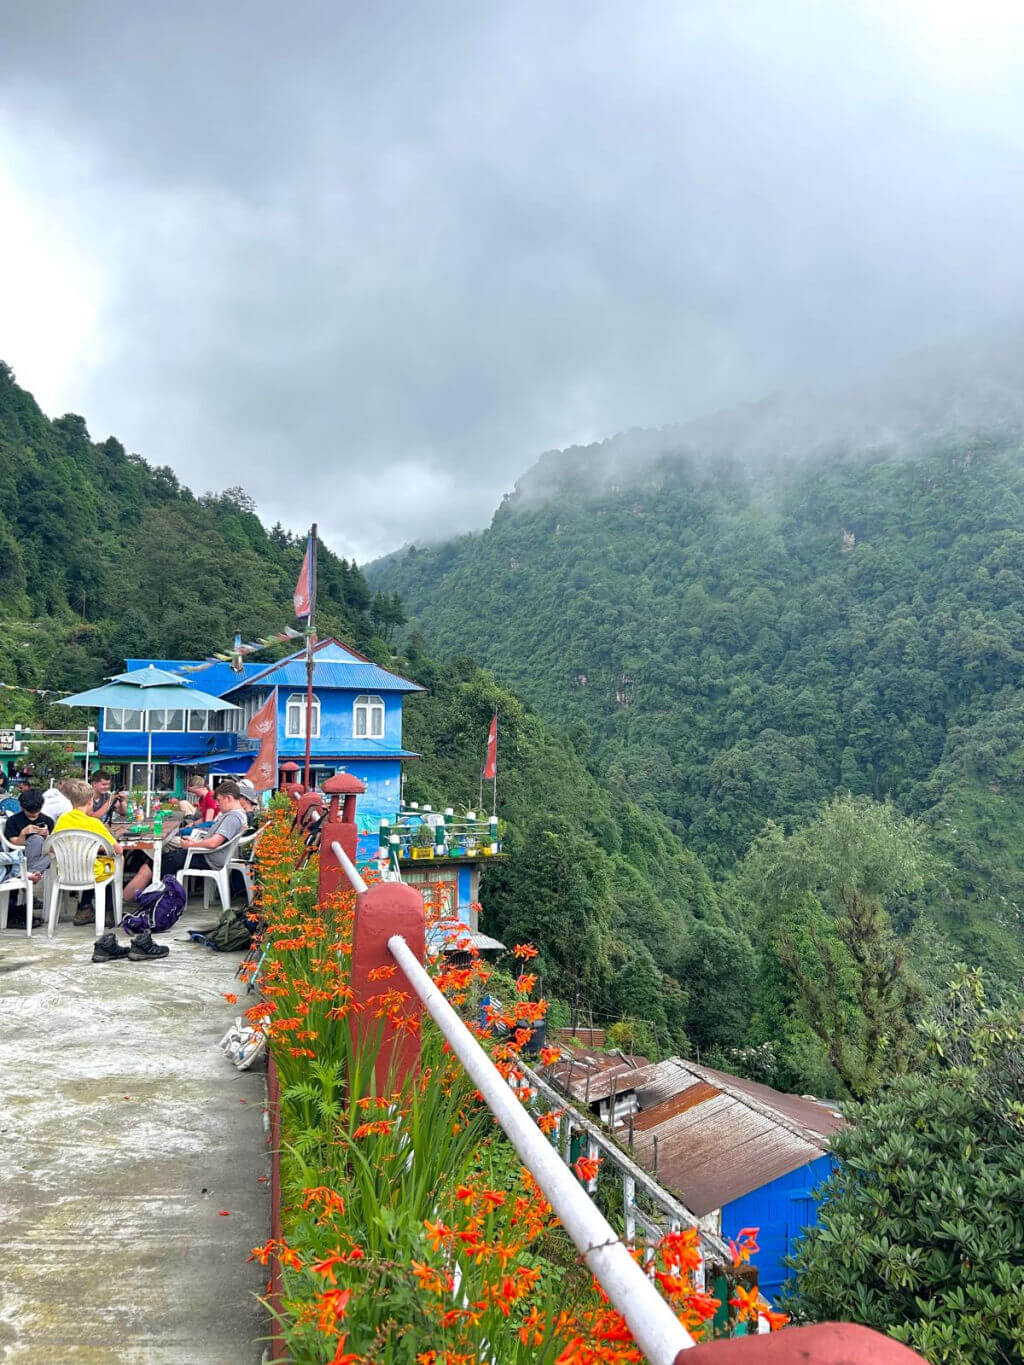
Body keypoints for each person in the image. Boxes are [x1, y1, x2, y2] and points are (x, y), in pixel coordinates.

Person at [123, 779, 247, 901]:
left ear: (229, 798)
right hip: (206, 854)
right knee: (157, 857)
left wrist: (193, 844)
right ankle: (141, 893)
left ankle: (127, 899)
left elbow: (214, 842)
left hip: (206, 857)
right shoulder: (237, 815)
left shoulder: (233, 817)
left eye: (219, 800)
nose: (217, 804)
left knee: (152, 864)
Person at [54, 779, 125, 926]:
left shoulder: (63, 819)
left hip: (65, 872)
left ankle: (85, 908)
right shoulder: (94, 823)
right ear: (90, 801)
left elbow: (51, 845)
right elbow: (117, 849)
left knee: (94, 862)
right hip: (92, 873)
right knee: (112, 864)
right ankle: (109, 912)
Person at [3, 786, 53, 885]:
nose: (33, 815)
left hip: (40, 857)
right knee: (36, 839)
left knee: (54, 853)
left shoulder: (48, 821)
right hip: (21, 856)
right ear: (22, 807)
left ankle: (27, 873)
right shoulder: (13, 821)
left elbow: (51, 847)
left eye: (36, 811)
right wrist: (23, 833)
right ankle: (30, 874)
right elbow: (13, 843)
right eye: (29, 812)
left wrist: (46, 836)